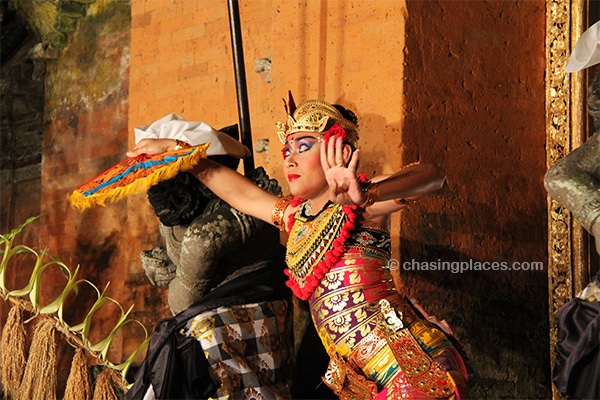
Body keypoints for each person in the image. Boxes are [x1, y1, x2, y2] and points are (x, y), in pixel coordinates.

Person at [127, 98, 469, 399]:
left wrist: (367, 195)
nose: (289, 160)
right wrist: (177, 150)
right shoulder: (296, 217)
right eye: (286, 150)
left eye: (303, 146)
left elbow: (432, 176)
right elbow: (241, 195)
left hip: (405, 366)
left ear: (342, 152)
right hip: (361, 379)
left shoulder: (362, 204)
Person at [126, 117, 296, 399]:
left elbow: (182, 300)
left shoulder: (220, 222)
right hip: (211, 319)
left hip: (248, 319)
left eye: (168, 178)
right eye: (153, 182)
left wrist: (180, 272)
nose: (157, 194)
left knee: (177, 345)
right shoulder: (177, 220)